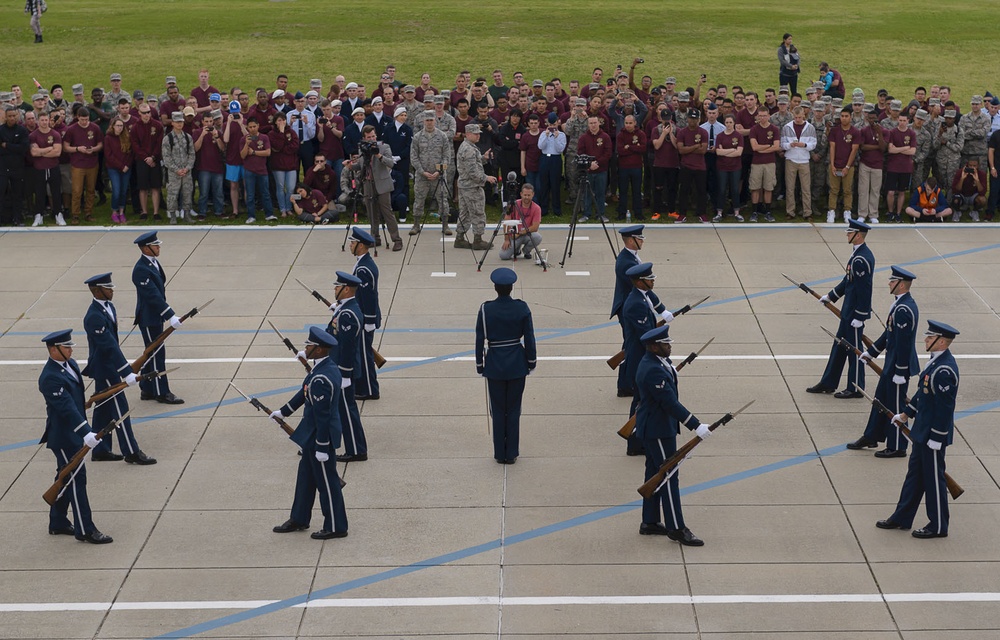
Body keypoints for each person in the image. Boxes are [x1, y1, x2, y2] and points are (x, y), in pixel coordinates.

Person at [876, 320, 960, 539]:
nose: (925, 339)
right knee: (914, 477)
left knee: (934, 481)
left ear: (941, 341)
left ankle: (939, 525)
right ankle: (902, 516)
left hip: (932, 435)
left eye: (930, 338)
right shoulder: (934, 363)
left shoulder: (943, 370)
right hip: (922, 431)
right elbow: (923, 394)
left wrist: (937, 437)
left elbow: (944, 408)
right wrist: (905, 414)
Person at [633, 324, 712, 546]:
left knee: (653, 472)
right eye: (664, 344)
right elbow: (669, 403)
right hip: (658, 430)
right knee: (668, 475)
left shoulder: (658, 363)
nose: (669, 346)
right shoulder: (653, 369)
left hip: (658, 427)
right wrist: (695, 425)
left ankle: (649, 521)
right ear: (653, 346)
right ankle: (676, 527)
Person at [269, 326, 349, 540]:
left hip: (319, 437)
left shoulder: (322, 378)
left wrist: (322, 447)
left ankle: (336, 525)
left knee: (327, 483)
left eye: (309, 345)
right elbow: (304, 391)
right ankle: (299, 517)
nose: (306, 348)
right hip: (311, 436)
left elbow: (323, 416)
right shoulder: (322, 369)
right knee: (305, 478)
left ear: (320, 350)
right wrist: (284, 411)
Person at [38, 329, 113, 544]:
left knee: (65, 475)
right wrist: (86, 431)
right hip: (63, 436)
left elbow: (77, 401)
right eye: (66, 347)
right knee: (76, 478)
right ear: (54, 350)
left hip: (75, 432)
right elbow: (66, 409)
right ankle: (85, 529)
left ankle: (58, 521)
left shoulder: (69, 365)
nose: (71, 350)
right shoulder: (49, 378)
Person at [81, 273, 155, 465]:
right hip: (105, 369)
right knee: (120, 410)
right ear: (97, 290)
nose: (111, 290)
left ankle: (100, 449)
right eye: (108, 288)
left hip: (109, 366)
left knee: (104, 409)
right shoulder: (94, 317)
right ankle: (131, 451)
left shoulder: (108, 307)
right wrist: (126, 372)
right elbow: (108, 346)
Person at [847, 267, 920, 457]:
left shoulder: (904, 309)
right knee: (880, 401)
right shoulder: (899, 304)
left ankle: (897, 446)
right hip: (892, 364)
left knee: (895, 406)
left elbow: (903, 344)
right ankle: (872, 435)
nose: (889, 283)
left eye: (892, 281)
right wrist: (871, 352)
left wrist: (900, 371)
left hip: (898, 366)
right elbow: (889, 334)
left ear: (901, 284)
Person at [475, 267, 536, 464]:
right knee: (514, 409)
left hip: (494, 364)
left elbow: (479, 339)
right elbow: (529, 337)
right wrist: (531, 361)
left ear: (495, 287)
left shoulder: (486, 309)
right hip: (517, 363)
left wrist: (479, 364)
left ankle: (499, 453)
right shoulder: (522, 307)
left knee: (499, 410)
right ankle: (512, 453)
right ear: (511, 288)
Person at [807, 219, 874, 397]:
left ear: (857, 235)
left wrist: (860, 316)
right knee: (839, 347)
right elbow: (848, 281)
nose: (846, 234)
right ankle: (829, 382)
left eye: (849, 232)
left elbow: (864, 290)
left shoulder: (861, 259)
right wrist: (831, 296)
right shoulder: (857, 254)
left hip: (854, 313)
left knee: (854, 350)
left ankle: (855, 388)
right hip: (848, 310)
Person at [622, 262, 672, 456]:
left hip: (641, 356)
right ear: (640, 282)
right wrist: (662, 361)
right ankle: (634, 441)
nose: (652, 281)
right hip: (639, 357)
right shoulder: (636, 304)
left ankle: (637, 440)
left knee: (642, 401)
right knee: (641, 402)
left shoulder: (641, 296)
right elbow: (648, 336)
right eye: (649, 279)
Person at [132, 231, 184, 405]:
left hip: (155, 316)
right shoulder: (140, 269)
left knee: (152, 353)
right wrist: (169, 314)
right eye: (155, 245)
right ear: (146, 248)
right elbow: (152, 295)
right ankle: (162, 392)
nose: (158, 247)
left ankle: (147, 389)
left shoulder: (153, 263)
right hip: (148, 318)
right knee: (156, 354)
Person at [323, 271, 369, 463]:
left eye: (337, 286)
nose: (335, 289)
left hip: (343, 370)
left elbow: (348, 347)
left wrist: (345, 374)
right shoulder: (346, 309)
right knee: (344, 409)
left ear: (346, 289)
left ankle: (357, 450)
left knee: (347, 412)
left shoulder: (348, 314)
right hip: (340, 368)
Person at [356, 125, 403, 251]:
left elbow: (391, 163)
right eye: (369, 137)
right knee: (372, 213)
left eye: (373, 136)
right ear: (364, 138)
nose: (372, 139)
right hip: (368, 183)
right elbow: (361, 165)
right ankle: (374, 238)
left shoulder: (384, 147)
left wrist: (378, 155)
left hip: (382, 184)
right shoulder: (362, 149)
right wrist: (351, 165)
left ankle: (397, 239)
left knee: (387, 212)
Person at [349, 228, 381, 400]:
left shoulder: (364, 269)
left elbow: (368, 297)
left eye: (353, 243)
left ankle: (369, 389)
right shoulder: (362, 263)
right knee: (362, 353)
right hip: (361, 316)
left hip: (364, 318)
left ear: (360, 245)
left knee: (365, 355)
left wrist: (368, 320)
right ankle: (365, 386)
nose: (350, 245)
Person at [455, 123, 498, 250]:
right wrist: (486, 178)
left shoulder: (469, 147)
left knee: (465, 213)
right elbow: (472, 172)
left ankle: (460, 238)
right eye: (475, 133)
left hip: (465, 186)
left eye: (479, 133)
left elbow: (474, 163)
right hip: (472, 187)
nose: (478, 135)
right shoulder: (468, 149)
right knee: (477, 212)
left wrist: (483, 158)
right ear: (468, 134)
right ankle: (478, 240)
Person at [409, 111, 453, 236]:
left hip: (438, 176)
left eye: (431, 120)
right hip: (422, 175)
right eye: (427, 120)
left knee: (443, 200)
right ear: (423, 121)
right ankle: (416, 225)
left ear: (435, 121)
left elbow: (446, 156)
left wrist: (440, 171)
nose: (429, 122)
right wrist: (422, 172)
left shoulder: (442, 136)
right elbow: (414, 157)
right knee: (419, 200)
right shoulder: (417, 137)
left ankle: (445, 225)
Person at [62, 106, 103, 224]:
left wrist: (93, 149)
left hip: (92, 164)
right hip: (77, 165)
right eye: (82, 119)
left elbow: (100, 144)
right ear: (77, 117)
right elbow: (65, 147)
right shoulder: (71, 129)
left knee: (90, 190)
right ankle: (75, 214)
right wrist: (78, 149)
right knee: (77, 190)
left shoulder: (95, 128)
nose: (84, 122)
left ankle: (88, 213)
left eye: (86, 119)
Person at [28, 111, 63, 226]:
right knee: (39, 192)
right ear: (38, 121)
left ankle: (58, 214)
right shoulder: (33, 135)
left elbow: (57, 152)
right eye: (42, 120)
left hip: (53, 167)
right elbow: (34, 152)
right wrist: (48, 149)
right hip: (39, 168)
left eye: (46, 120)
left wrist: (41, 152)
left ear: (49, 120)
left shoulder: (55, 134)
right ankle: (39, 215)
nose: (44, 122)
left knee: (56, 192)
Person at [780, 106, 816, 219]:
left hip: (804, 160)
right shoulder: (787, 127)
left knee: (806, 188)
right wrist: (789, 145)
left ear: (803, 115)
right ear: (793, 116)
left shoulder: (810, 128)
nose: (798, 119)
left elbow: (813, 144)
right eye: (796, 117)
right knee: (790, 187)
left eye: (800, 117)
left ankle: (807, 212)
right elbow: (782, 143)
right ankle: (790, 211)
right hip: (791, 159)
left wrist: (804, 145)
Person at [130, 102, 164, 220]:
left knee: (155, 187)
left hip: (155, 160)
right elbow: (135, 145)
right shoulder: (135, 128)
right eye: (144, 113)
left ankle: (155, 212)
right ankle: (143, 211)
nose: (146, 115)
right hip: (141, 161)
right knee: (143, 188)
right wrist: (146, 158)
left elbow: (159, 144)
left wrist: (153, 157)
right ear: (139, 113)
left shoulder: (158, 125)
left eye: (148, 112)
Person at [827, 107, 860, 223]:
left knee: (847, 190)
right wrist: (832, 164)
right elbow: (832, 147)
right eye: (842, 116)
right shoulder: (835, 131)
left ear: (850, 117)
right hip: (835, 165)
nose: (844, 118)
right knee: (834, 190)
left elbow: (854, 150)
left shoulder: (855, 132)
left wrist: (847, 167)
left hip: (848, 166)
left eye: (846, 116)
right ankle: (831, 211)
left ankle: (847, 211)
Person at [748, 109, 781, 222]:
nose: (762, 118)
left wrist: (761, 149)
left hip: (770, 163)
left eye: (764, 116)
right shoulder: (754, 129)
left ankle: (768, 211)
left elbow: (776, 147)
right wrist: (768, 146)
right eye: (760, 116)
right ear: (757, 116)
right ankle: (754, 212)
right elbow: (754, 147)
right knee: (755, 188)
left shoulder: (774, 129)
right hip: (756, 163)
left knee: (768, 188)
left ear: (769, 116)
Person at [162, 112, 195, 224]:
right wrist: (176, 169)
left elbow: (191, 154)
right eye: (177, 122)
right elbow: (166, 157)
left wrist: (187, 167)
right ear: (172, 123)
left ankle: (186, 214)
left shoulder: (187, 137)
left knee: (187, 192)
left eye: (181, 121)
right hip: (173, 173)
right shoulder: (168, 139)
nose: (179, 124)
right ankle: (172, 216)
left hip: (186, 171)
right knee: (172, 194)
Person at [240, 117, 273, 223]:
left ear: (258, 126)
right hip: (249, 170)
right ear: (247, 127)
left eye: (254, 126)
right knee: (250, 194)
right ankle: (251, 216)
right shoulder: (243, 139)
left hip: (262, 170)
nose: (253, 129)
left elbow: (268, 152)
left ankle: (269, 214)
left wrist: (254, 152)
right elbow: (243, 155)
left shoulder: (264, 137)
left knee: (266, 193)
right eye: (250, 127)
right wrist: (246, 144)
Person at [857, 105, 887, 224]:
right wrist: (876, 147)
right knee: (863, 190)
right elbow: (862, 147)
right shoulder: (863, 131)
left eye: (874, 118)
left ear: (877, 118)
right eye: (870, 118)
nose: (872, 121)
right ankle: (862, 214)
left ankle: (873, 214)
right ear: (867, 119)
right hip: (865, 164)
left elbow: (884, 148)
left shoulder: (884, 131)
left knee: (875, 191)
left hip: (878, 165)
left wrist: (879, 134)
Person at [1, 105, 30, 225]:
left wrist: (7, 145)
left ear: (17, 116)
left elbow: (23, 148)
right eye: (9, 116)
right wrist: (14, 147)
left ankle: (17, 218)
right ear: (5, 117)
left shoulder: (22, 130)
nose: (12, 118)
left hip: (18, 167)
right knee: (1, 193)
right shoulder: (0, 130)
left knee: (17, 194)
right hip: (2, 167)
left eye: (14, 116)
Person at [499, 182, 542, 262]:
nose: (526, 197)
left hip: (526, 233)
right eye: (525, 195)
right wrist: (506, 239)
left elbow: (535, 227)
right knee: (503, 255)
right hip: (513, 235)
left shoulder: (537, 208)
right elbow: (506, 222)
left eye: (529, 195)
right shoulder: (513, 204)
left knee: (537, 237)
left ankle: (526, 251)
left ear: (533, 194)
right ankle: (516, 249)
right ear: (521, 194)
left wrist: (521, 233)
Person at [885, 114, 916, 222]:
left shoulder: (911, 133)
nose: (902, 122)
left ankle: (898, 213)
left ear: (908, 120)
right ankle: (890, 212)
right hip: (893, 167)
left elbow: (913, 151)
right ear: (898, 120)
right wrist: (904, 148)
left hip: (906, 168)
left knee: (902, 192)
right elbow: (890, 150)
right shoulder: (892, 132)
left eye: (904, 120)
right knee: (891, 192)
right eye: (900, 120)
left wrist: (897, 149)